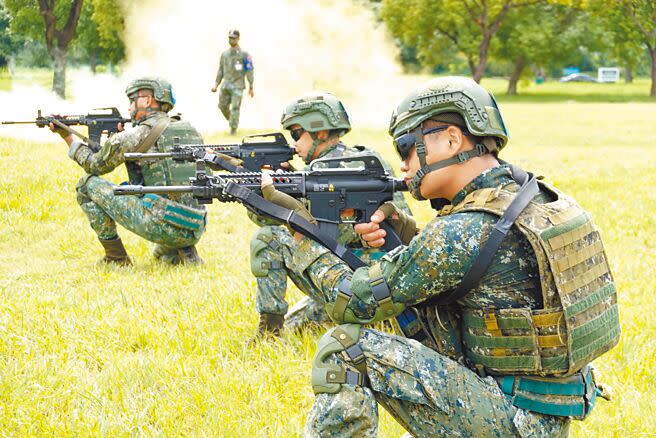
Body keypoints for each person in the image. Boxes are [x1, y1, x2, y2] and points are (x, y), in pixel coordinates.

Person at [262, 76, 620, 436]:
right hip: (540, 415)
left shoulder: (463, 230)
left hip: (510, 419)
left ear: (452, 139)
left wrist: (301, 233)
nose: (402, 165)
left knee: (346, 348)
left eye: (406, 148)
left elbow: (351, 303)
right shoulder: (533, 197)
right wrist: (401, 232)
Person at [249, 91, 410, 338]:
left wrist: (256, 195)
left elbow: (278, 221)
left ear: (320, 132)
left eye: (296, 134)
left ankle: (269, 333)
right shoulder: (368, 157)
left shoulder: (321, 172)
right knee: (301, 324)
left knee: (267, 237)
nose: (294, 144)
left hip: (353, 280)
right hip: (390, 276)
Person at [50, 77, 207, 266]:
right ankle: (183, 251)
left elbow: (93, 166)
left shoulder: (133, 136)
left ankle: (116, 258)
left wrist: (67, 135)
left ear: (148, 101)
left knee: (86, 185)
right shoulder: (189, 130)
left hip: (165, 226)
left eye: (132, 100)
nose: (129, 106)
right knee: (162, 255)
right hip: (195, 225)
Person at [211, 29, 254, 135]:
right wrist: (216, 84)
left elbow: (249, 70)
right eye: (230, 38)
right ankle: (232, 120)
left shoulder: (244, 54)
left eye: (234, 38)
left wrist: (251, 86)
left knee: (235, 107)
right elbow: (220, 70)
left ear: (238, 39)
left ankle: (233, 129)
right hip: (226, 85)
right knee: (222, 106)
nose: (231, 40)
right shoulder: (225, 54)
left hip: (238, 86)